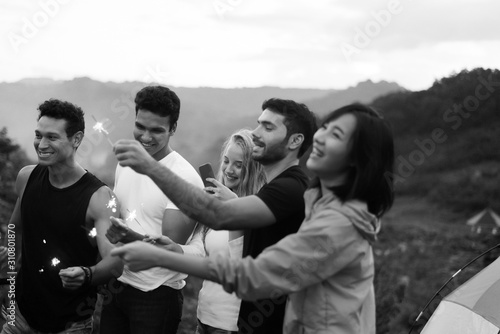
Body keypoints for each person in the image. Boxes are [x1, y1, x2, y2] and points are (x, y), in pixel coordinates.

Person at [111, 103, 395, 333]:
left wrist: (151, 168)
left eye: (336, 135)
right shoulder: (316, 201)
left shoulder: (331, 217)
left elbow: (255, 273)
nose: (320, 136)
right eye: (326, 128)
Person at [0, 99, 123, 334]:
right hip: (20, 318)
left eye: (52, 137)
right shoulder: (26, 178)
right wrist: (9, 282)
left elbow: (115, 263)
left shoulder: (99, 197)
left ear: (76, 139)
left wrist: (87, 275)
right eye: (39, 135)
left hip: (71, 325)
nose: (41, 144)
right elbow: (15, 230)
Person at [100, 85, 204, 334]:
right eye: (140, 127)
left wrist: (128, 238)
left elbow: (169, 247)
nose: (146, 137)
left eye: (157, 130)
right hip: (118, 285)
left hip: (156, 295)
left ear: (173, 129)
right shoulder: (125, 163)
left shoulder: (184, 178)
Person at [149, 129, 266, 334]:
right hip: (205, 317)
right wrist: (177, 249)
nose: (229, 170)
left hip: (233, 323)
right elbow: (201, 250)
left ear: (253, 169)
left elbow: (240, 267)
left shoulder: (258, 209)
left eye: (239, 165)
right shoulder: (215, 204)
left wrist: (235, 207)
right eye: (227, 161)